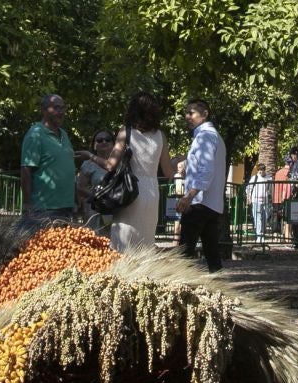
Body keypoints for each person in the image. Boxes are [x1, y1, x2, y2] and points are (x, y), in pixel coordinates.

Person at [111, 93, 173, 253]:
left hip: (129, 189)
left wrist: (89, 156)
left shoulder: (126, 132)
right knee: (145, 240)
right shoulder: (161, 136)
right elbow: (168, 172)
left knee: (124, 241)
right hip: (152, 191)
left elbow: (110, 164)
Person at [175, 100, 227, 272]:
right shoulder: (214, 136)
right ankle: (220, 289)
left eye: (192, 113)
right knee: (212, 253)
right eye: (186, 113)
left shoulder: (204, 136)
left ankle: (182, 289)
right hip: (211, 204)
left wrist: (189, 195)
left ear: (205, 114)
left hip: (199, 203)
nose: (187, 117)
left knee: (185, 252)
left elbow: (206, 170)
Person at [20, 93, 78, 220]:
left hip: (67, 207)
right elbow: (26, 170)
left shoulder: (64, 134)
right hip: (45, 209)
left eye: (63, 108)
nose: (61, 112)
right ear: (43, 110)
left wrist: (74, 201)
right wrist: (27, 204)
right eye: (56, 108)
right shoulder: (35, 134)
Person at [80, 129, 120, 232]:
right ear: (94, 145)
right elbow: (81, 188)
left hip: (118, 210)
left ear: (114, 143)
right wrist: (99, 197)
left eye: (107, 139)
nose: (104, 142)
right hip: (96, 211)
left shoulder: (121, 164)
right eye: (99, 140)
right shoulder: (87, 164)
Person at [248, 164, 274, 244]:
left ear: (264, 170)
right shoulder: (254, 178)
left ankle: (261, 234)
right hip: (256, 200)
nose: (260, 172)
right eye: (259, 170)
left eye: (261, 170)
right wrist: (249, 198)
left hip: (265, 201)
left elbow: (271, 189)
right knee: (257, 218)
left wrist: (271, 199)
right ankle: (259, 236)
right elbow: (249, 188)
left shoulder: (269, 178)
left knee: (265, 218)